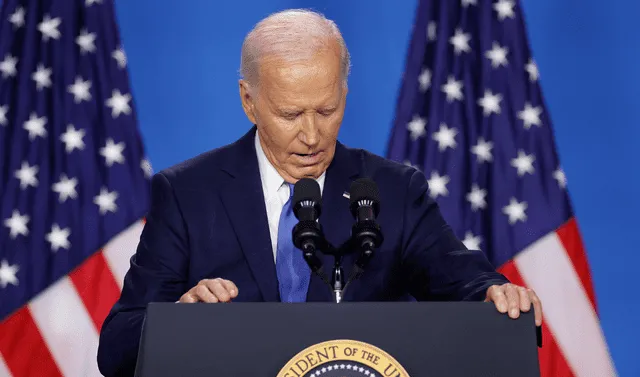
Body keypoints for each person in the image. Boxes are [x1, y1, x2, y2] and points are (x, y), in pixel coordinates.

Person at [97, 8, 542, 377]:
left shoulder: (392, 191)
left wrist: (495, 295)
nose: (312, 136)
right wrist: (177, 319)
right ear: (249, 102)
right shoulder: (188, 194)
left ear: (344, 94)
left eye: (327, 110)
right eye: (290, 114)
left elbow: (465, 282)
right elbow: (116, 347)